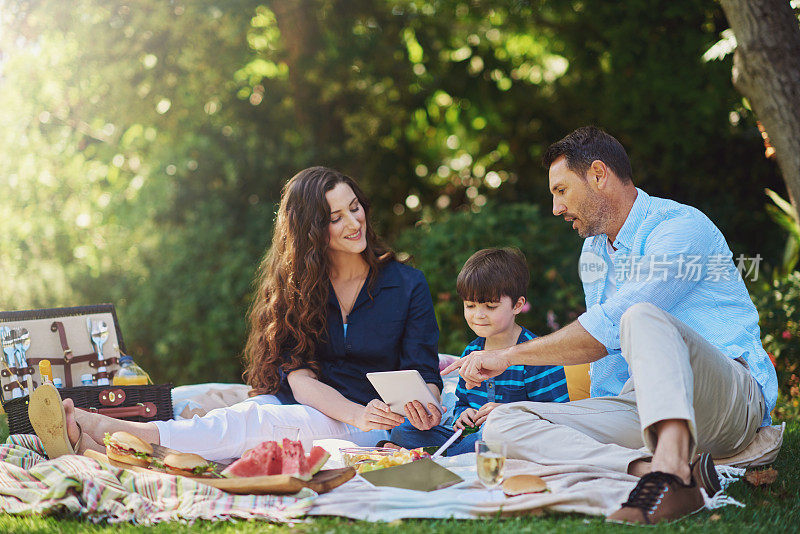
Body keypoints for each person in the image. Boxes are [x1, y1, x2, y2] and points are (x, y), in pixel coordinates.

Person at [443, 126, 778, 524]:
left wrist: (509, 356)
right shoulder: (594, 252)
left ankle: (669, 470)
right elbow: (609, 360)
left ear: (598, 175)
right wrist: (590, 417)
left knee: (639, 316)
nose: (555, 207)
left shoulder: (680, 228)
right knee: (502, 423)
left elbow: (606, 329)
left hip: (723, 399)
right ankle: (652, 472)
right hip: (642, 406)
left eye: (561, 190)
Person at [33, 166, 444, 461]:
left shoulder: (407, 285)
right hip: (319, 405)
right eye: (335, 218)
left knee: (250, 421)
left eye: (354, 208)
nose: (354, 223)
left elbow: (424, 375)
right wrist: (353, 410)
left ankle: (112, 431)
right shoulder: (302, 286)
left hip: (367, 425)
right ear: (312, 232)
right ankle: (89, 444)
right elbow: (300, 381)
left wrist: (424, 405)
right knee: (190, 398)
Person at [388, 248, 569, 455]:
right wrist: (463, 415)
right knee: (403, 431)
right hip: (471, 439)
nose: (478, 315)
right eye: (470, 305)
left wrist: (507, 414)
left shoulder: (536, 354)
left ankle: (447, 456)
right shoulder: (472, 351)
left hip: (512, 437)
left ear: (517, 305)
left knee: (488, 437)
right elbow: (462, 402)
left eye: (490, 307)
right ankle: (455, 454)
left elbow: (557, 415)